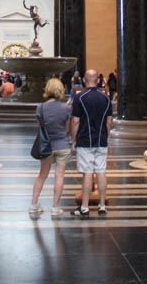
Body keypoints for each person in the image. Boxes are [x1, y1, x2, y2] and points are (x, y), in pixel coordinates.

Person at [70, 69, 113, 218]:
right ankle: (102, 206)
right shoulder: (106, 98)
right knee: (101, 171)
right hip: (101, 140)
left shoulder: (80, 98)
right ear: (98, 80)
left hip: (85, 140)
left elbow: (75, 121)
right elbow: (109, 121)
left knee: (87, 173)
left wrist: (73, 139)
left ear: (84, 79)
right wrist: (105, 137)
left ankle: (85, 207)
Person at [29, 78, 72, 218]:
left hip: (47, 145)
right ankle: (55, 207)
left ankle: (34, 204)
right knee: (59, 175)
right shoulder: (66, 108)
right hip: (63, 145)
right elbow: (67, 128)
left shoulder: (40, 107)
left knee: (42, 175)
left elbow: (40, 127)